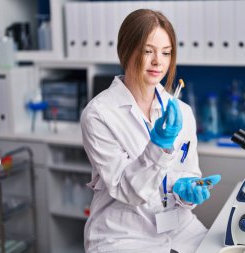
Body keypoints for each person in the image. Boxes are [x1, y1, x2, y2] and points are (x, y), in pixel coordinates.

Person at [80, 9, 221, 253]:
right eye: (148, 51)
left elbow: (187, 171)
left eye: (166, 53)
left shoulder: (182, 112)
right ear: (126, 52)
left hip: (179, 227)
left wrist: (187, 190)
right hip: (123, 234)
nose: (159, 61)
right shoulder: (99, 115)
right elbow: (127, 191)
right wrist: (159, 145)